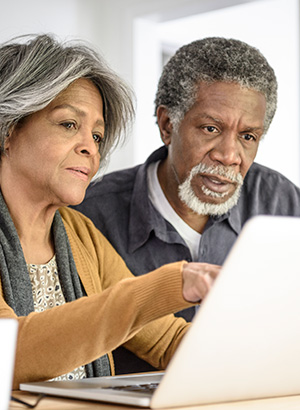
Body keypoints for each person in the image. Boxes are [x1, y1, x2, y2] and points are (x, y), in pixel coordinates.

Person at [0, 34, 221, 390]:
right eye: (69, 124)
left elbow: (166, 342)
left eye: (98, 136)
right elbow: (9, 355)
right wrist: (168, 283)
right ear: (9, 129)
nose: (90, 148)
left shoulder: (81, 234)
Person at [74, 37, 300, 373]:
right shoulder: (90, 214)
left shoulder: (281, 202)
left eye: (248, 136)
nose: (229, 155)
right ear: (167, 125)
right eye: (211, 128)